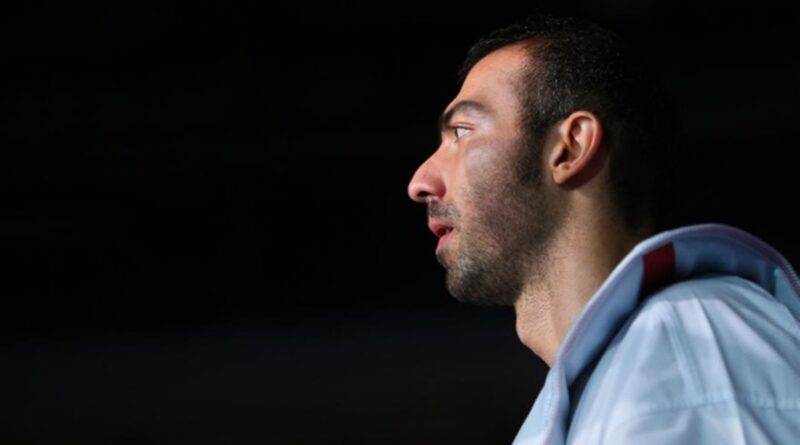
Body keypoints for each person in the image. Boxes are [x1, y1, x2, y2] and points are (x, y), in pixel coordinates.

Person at [406, 15, 800, 444]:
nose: (420, 182)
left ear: (570, 148)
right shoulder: (629, 370)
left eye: (462, 132)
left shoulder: (688, 347)